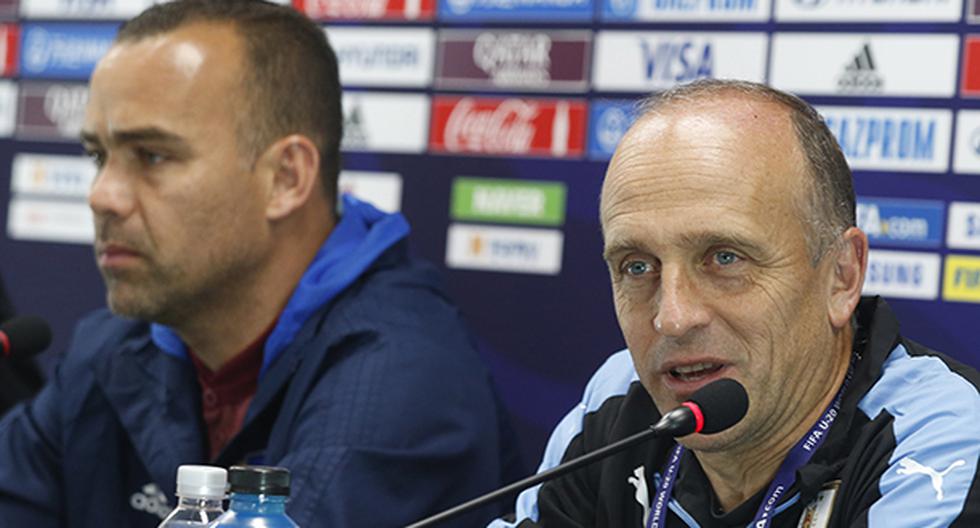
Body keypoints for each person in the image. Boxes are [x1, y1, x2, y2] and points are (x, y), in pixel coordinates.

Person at [0, 1, 522, 526]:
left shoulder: (403, 381)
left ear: (287, 178)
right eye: (98, 156)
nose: (101, 196)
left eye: (153, 156)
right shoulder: (113, 347)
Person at [492, 80, 980, 527]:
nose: (673, 318)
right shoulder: (619, 401)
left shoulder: (939, 437)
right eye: (638, 267)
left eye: (724, 258)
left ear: (841, 276)